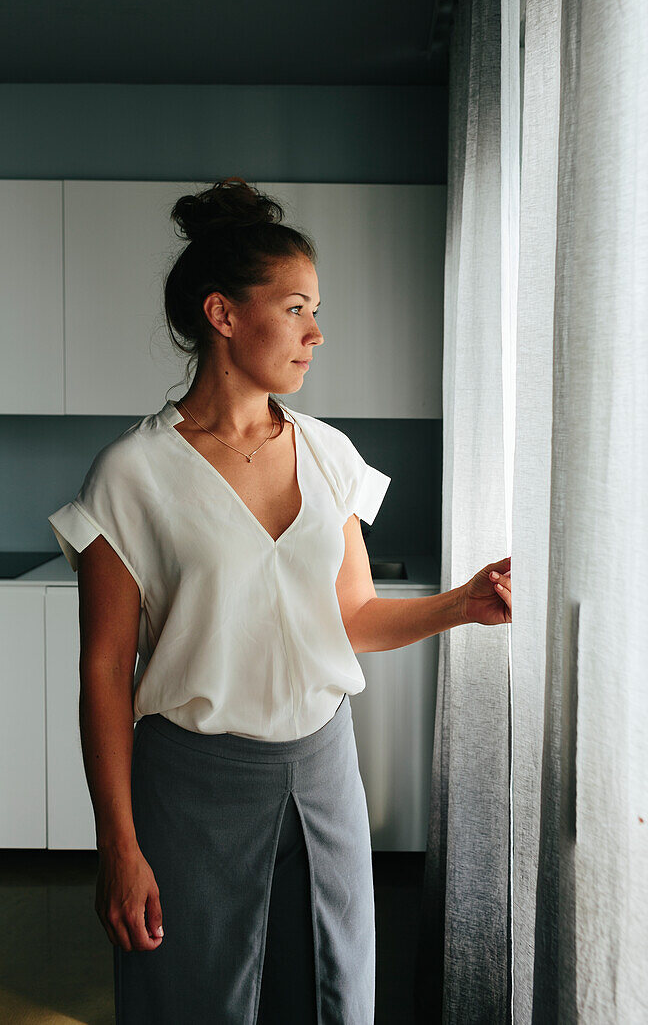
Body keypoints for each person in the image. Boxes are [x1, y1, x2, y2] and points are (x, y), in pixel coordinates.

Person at [47, 177, 512, 1025]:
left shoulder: (329, 453)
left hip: (324, 772)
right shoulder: (130, 475)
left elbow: (352, 619)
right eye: (296, 308)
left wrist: (461, 605)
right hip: (189, 788)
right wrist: (117, 843)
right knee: (192, 996)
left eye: (316, 310)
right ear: (223, 315)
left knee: (330, 989)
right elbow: (106, 668)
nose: (316, 333)